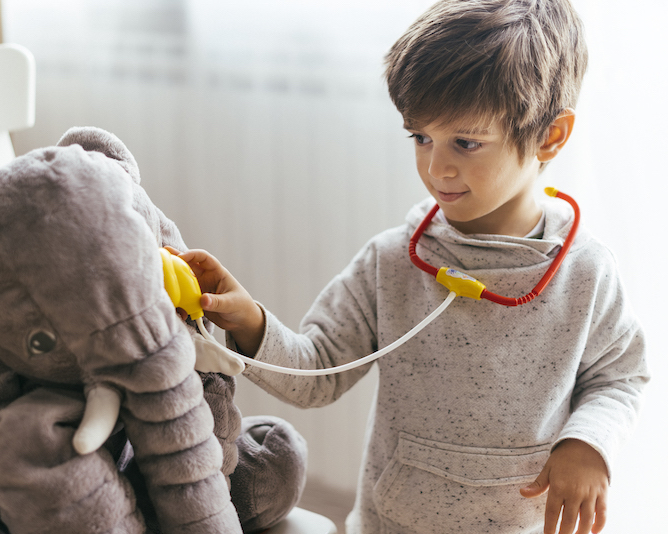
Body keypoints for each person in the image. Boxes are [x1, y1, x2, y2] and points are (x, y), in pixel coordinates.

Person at [172, 1, 650, 533]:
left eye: (465, 143)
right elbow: (316, 374)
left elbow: (620, 376)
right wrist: (249, 321)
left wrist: (587, 444)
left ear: (549, 137)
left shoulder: (586, 274)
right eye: (420, 137)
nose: (435, 167)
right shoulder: (392, 260)